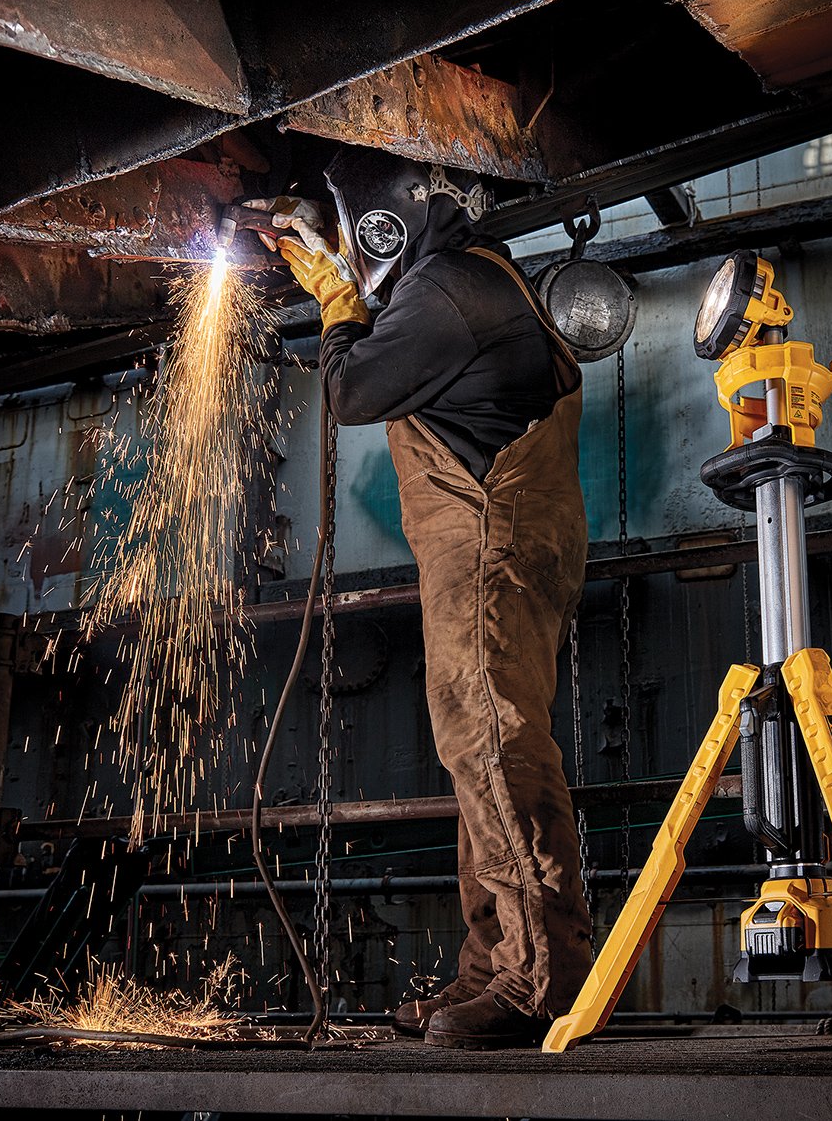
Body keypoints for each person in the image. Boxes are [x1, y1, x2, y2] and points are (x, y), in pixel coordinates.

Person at [244, 145, 594, 1050]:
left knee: (491, 746)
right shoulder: (475, 279)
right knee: (480, 752)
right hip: (510, 543)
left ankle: (540, 982)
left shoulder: (444, 290)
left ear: (382, 224)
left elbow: (352, 388)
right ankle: (493, 964)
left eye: (351, 240)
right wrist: (346, 289)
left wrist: (335, 302)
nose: (351, 258)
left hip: (489, 545)